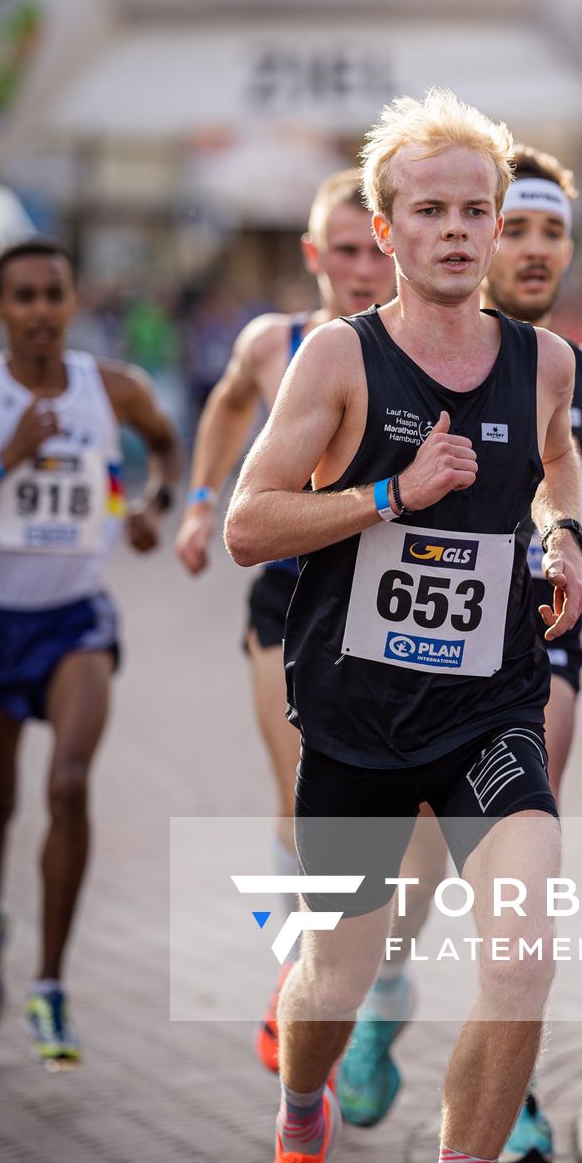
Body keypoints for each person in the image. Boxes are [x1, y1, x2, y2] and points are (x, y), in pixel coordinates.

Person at [224, 89, 582, 1163]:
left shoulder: (543, 362)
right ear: (382, 227)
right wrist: (388, 494)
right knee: (334, 976)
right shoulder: (338, 359)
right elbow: (249, 525)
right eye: (426, 210)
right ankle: (303, 1124)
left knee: (526, 946)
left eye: (472, 211)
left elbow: (550, 471)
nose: (453, 231)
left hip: (488, 702)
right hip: (358, 718)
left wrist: (562, 541)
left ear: (499, 226)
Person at [335, 145, 582, 1157]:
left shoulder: (578, 368)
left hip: (539, 634)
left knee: (521, 840)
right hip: (418, 645)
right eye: (512, 225)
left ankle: (505, 1075)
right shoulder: (434, 347)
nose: (529, 246)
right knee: (423, 849)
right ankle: (384, 990)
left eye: (550, 230)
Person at [0, 239, 180, 1066]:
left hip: (77, 623)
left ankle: (51, 988)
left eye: (52, 295)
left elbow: (167, 445)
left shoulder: (114, 389)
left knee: (68, 786)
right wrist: (7, 458)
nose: (38, 311)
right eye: (21, 297)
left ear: (73, 303)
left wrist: (151, 504)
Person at [173, 168, 397, 1070]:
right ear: (314, 255)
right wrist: (198, 500)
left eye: (372, 250)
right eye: (341, 252)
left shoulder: (418, 346)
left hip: (378, 602)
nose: (359, 269)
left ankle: (374, 980)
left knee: (393, 808)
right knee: (298, 793)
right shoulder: (274, 344)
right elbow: (227, 405)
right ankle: (295, 976)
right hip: (289, 596)